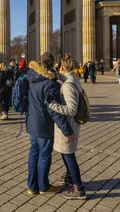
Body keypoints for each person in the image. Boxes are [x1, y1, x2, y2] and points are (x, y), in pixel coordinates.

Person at [25, 52, 74, 196]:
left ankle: (31, 186)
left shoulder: (31, 77)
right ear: (53, 63)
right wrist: (67, 131)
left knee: (34, 152)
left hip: (32, 122)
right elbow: (54, 111)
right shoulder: (50, 84)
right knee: (44, 155)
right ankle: (44, 186)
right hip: (44, 124)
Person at [48, 54, 87, 200]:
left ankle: (79, 188)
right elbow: (65, 79)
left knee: (69, 155)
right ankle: (71, 180)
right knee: (66, 154)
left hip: (69, 126)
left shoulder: (68, 86)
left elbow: (71, 109)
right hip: (71, 124)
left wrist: (52, 105)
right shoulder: (73, 79)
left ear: (63, 67)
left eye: (59, 67)